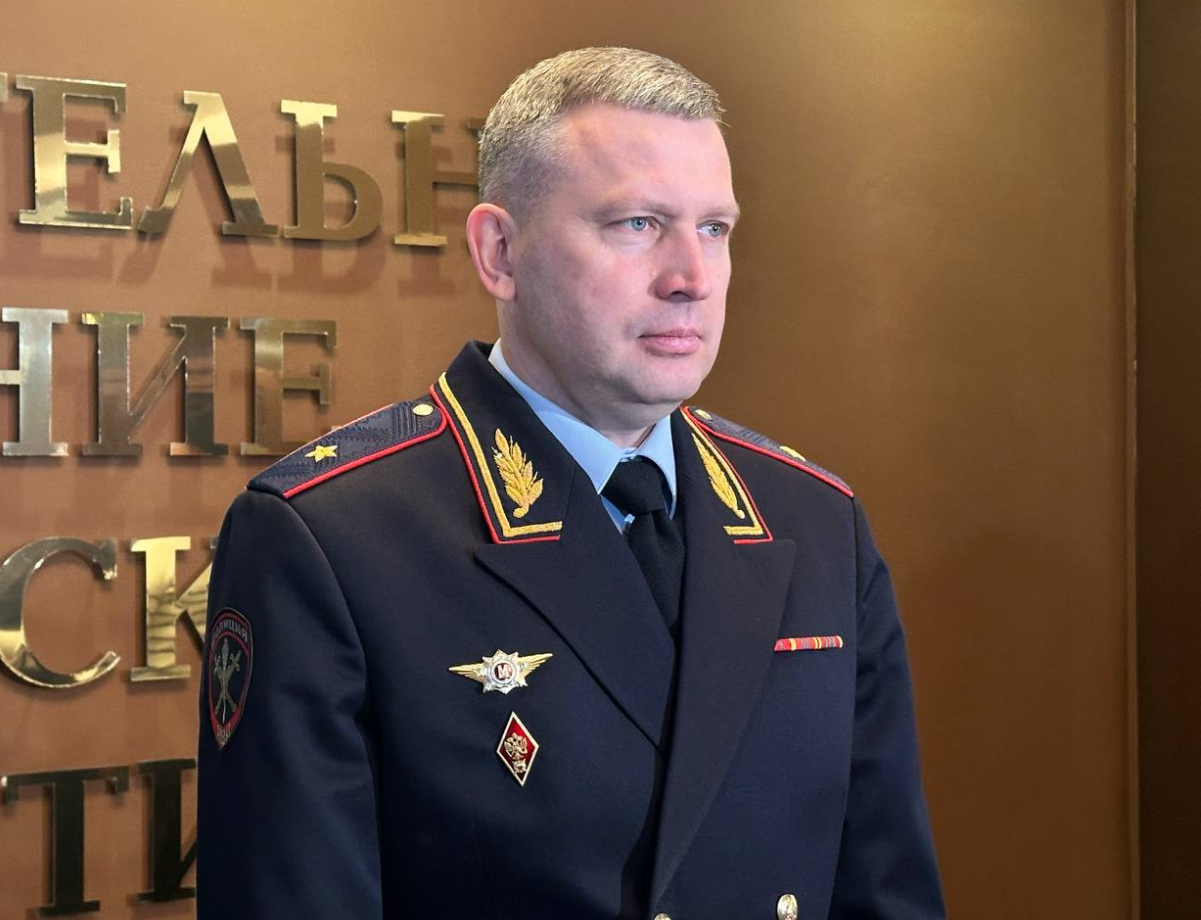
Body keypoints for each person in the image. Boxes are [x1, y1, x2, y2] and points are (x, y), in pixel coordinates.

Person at [198, 47, 945, 920]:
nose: (690, 278)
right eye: (637, 224)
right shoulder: (333, 537)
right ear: (500, 252)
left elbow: (883, 890)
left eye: (714, 229)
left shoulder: (813, 520)